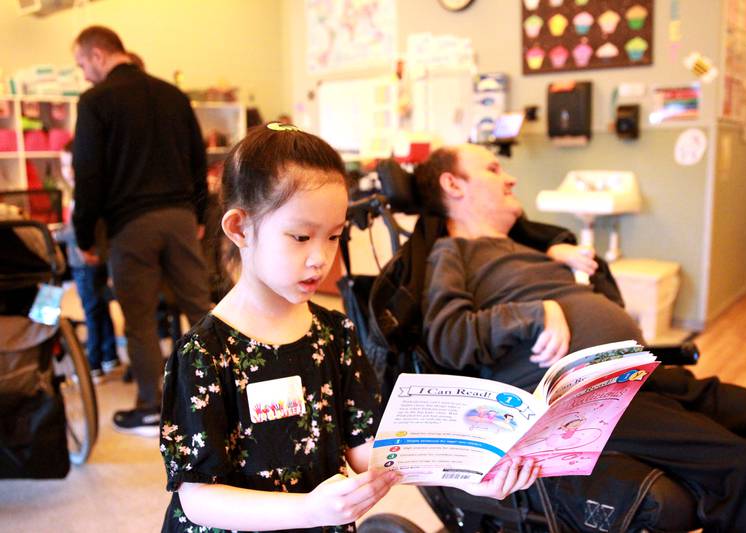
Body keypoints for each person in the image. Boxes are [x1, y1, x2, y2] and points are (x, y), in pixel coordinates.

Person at [158, 124, 539, 532]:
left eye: (334, 236)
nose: (320, 258)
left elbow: (366, 451)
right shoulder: (204, 354)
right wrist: (308, 510)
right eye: (301, 236)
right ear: (239, 228)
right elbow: (197, 496)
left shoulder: (334, 333)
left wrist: (469, 471)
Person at [414, 143, 746, 533]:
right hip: (577, 399)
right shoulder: (451, 253)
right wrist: (536, 313)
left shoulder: (530, 249)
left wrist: (579, 272)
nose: (511, 177)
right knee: (737, 465)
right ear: (453, 184)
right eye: (495, 169)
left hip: (636, 375)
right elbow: (448, 337)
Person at [71, 26, 211, 436]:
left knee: (140, 319)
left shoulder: (96, 101)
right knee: (201, 308)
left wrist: (83, 236)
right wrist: (199, 214)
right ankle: (226, 391)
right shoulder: (172, 94)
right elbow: (197, 157)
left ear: (98, 54)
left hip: (131, 226)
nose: (83, 74)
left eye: (82, 63)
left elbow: (88, 174)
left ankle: (151, 406)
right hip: (182, 218)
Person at [54, 141, 120, 382]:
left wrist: (54, 233)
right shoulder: (93, 192)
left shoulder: (82, 195)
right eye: (63, 165)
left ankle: (92, 365)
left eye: (71, 165)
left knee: (92, 312)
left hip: (84, 262)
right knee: (100, 308)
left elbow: (75, 230)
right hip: (96, 258)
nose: (67, 171)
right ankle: (109, 355)